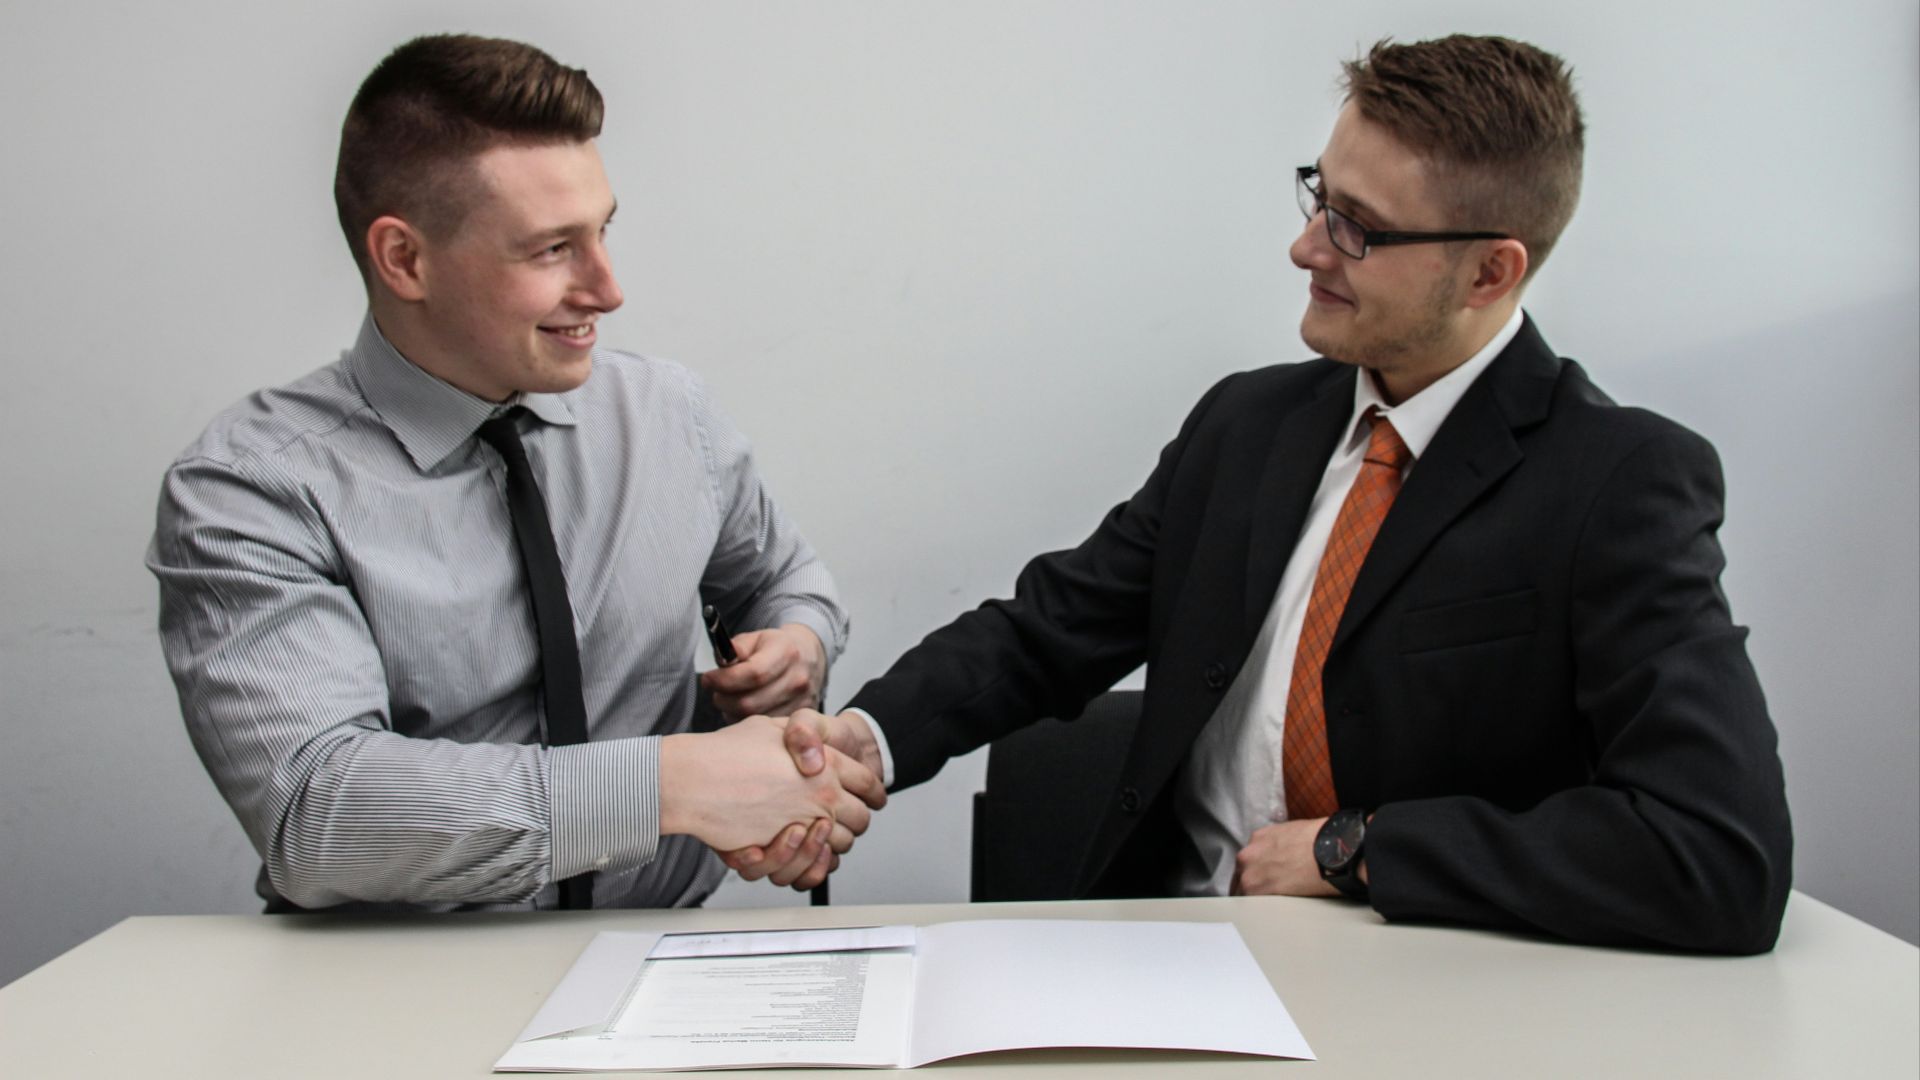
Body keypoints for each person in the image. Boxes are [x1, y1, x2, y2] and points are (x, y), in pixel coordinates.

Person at [752, 34, 1793, 953]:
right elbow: (1048, 631)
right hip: (1162, 957)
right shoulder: (1248, 428)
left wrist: (1358, 851)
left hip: (1419, 996)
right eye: (1319, 198)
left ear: (1489, 273)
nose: (1307, 248)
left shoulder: (1617, 483)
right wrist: (865, 739)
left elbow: (1717, 853)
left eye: (1358, 229)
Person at [147, 33, 880, 913]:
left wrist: (794, 647)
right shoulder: (251, 490)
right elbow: (319, 814)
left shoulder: (669, 415)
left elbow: (784, 581)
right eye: (550, 250)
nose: (608, 290)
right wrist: (668, 784)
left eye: (603, 231)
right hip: (392, 994)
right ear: (404, 260)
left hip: (662, 959)